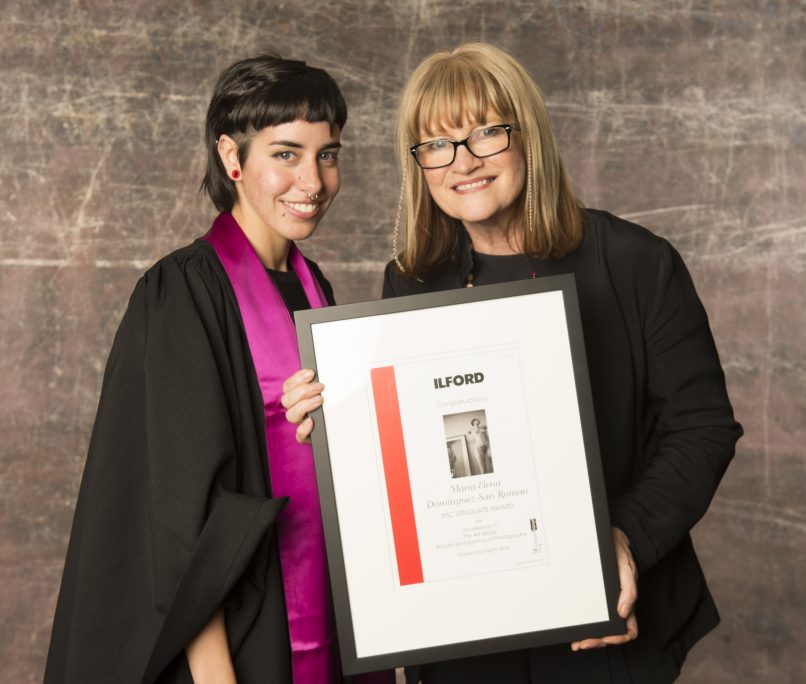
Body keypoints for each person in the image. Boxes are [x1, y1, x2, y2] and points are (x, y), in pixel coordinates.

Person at [282, 42, 742, 683]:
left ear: (527, 136)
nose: (463, 162)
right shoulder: (411, 281)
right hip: (467, 631)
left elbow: (701, 428)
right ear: (419, 164)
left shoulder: (636, 261)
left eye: (485, 134)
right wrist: (335, 423)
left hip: (607, 619)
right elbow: (415, 448)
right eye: (436, 144)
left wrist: (623, 541)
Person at [45, 54, 393, 684]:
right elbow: (179, 514)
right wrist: (215, 677)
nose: (312, 181)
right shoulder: (181, 292)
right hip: (241, 640)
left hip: (326, 616)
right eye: (285, 154)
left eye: (327, 154)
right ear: (232, 157)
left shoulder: (314, 287)